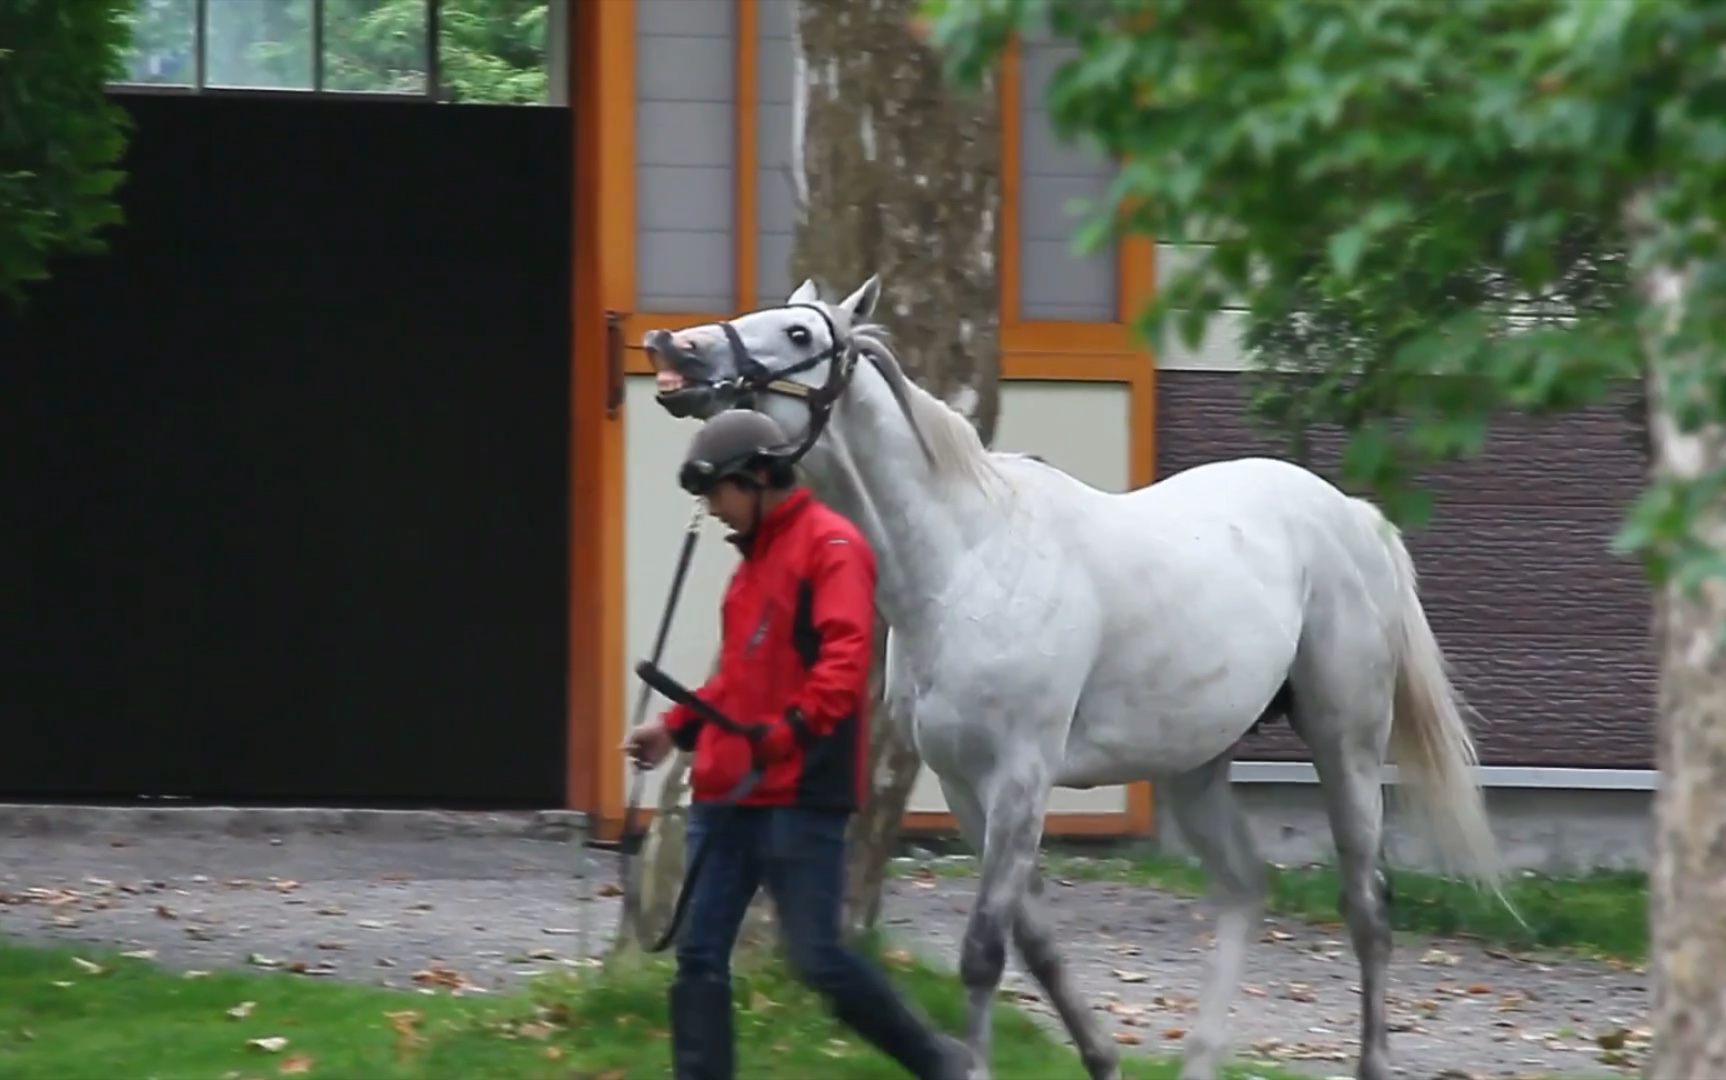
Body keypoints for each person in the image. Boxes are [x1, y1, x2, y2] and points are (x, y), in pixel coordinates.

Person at [623, 410, 971, 1080]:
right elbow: (736, 677)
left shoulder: (832, 548)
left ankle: (936, 1061)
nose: (712, 510)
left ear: (756, 477)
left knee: (816, 957)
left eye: (716, 494)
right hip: (728, 793)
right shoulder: (750, 567)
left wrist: (785, 737)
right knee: (699, 954)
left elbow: (843, 666)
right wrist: (673, 730)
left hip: (800, 793)